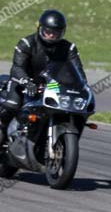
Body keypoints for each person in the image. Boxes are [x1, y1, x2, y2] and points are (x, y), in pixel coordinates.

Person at [0, 10, 87, 143]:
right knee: (12, 105)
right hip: (23, 82)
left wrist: (82, 87)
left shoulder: (69, 48)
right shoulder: (27, 43)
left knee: (71, 110)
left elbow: (78, 71)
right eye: (48, 31)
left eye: (56, 32)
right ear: (40, 28)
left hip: (51, 85)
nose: (51, 35)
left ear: (62, 32)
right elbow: (17, 67)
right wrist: (26, 82)